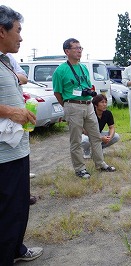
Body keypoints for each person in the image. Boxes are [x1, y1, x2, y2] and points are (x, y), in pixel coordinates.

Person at [0, 5, 43, 264]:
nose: (21, 37)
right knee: (8, 209)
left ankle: (16, 249)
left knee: (18, 206)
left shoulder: (6, 61)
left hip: (16, 148)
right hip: (3, 155)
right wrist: (10, 111)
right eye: (17, 30)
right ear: (1, 31)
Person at [52, 38, 115, 179]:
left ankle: (100, 163)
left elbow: (87, 86)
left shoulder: (83, 68)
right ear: (67, 51)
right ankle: (80, 168)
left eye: (81, 48)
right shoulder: (60, 71)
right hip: (73, 105)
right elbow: (57, 92)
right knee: (76, 140)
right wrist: (67, 106)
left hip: (88, 105)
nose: (79, 50)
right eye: (76, 48)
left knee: (96, 136)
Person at [7, 53, 37, 205]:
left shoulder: (8, 58)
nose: (20, 38)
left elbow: (24, 77)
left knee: (21, 156)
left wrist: (10, 77)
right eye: (17, 31)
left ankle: (24, 194)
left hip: (17, 121)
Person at [81, 94, 120, 158]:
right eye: (102, 102)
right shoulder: (90, 113)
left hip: (98, 134)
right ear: (96, 105)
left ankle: (98, 148)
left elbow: (111, 127)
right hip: (88, 134)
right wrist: (100, 138)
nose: (104, 104)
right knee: (84, 140)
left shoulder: (108, 113)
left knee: (116, 136)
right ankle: (86, 151)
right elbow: (85, 132)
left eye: (105, 102)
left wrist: (109, 137)